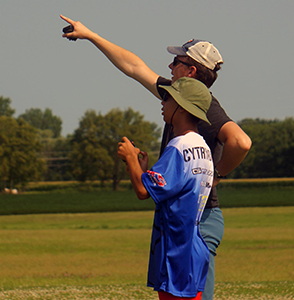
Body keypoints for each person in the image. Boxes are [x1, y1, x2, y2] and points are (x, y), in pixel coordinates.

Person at [61, 15, 252, 300]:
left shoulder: (206, 108)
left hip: (199, 220)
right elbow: (134, 67)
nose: (170, 66)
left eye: (176, 62)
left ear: (190, 71)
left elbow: (241, 141)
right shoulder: (181, 98)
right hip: (187, 219)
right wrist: (92, 36)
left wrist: (217, 177)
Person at [118, 77, 214, 300]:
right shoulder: (203, 147)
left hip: (177, 253)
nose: (163, 102)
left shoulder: (178, 146)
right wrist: (142, 170)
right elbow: (168, 187)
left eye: (168, 97)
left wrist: (131, 158)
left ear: (181, 107)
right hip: (195, 249)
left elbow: (143, 192)